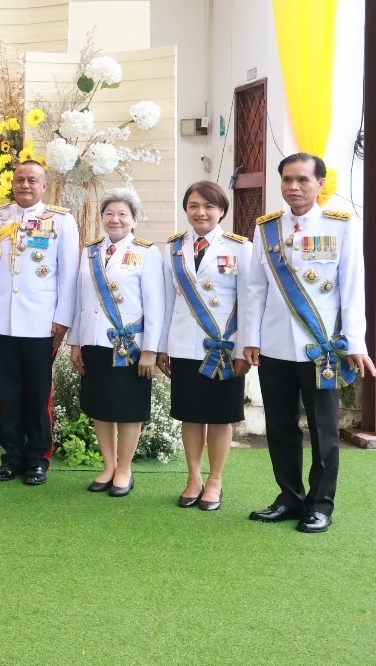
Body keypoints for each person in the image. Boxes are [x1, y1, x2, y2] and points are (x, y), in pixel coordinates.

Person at [242, 153, 375, 534]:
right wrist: (251, 338)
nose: (293, 187)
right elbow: (255, 289)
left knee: (323, 430)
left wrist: (355, 342)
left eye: (302, 179)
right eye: (287, 179)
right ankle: (289, 498)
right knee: (280, 426)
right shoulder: (267, 229)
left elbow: (352, 288)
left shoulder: (341, 225)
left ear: (320, 183)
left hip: (321, 349)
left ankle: (320, 505)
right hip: (275, 346)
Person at [0, 160, 79, 486]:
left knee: (37, 395)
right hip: (2, 321)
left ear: (43, 186)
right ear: (12, 183)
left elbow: (69, 274)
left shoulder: (60, 220)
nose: (25, 185)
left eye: (32, 180)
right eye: (20, 179)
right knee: (8, 394)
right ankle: (11, 457)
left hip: (41, 324)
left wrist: (62, 319)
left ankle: (36, 459)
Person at [157, 181, 252, 511]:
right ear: (186, 209)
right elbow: (166, 302)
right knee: (191, 415)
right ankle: (193, 478)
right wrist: (162, 347)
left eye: (209, 206)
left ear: (221, 210)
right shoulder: (173, 248)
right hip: (184, 345)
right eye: (194, 206)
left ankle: (215, 480)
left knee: (221, 417)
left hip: (223, 348)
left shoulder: (240, 248)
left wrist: (244, 349)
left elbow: (249, 302)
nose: (201, 212)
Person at [67, 188, 166, 497]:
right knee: (100, 406)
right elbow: (79, 301)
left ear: (134, 220)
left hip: (129, 346)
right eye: (109, 213)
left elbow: (155, 305)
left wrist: (150, 350)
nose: (115, 219)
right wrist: (75, 342)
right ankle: (108, 466)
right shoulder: (89, 252)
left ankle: (124, 469)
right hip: (94, 341)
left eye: (123, 214)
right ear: (102, 218)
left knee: (128, 408)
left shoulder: (147, 252)